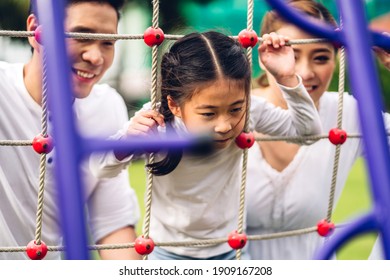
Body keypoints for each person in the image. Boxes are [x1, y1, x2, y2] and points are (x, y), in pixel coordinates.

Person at [89, 30, 322, 260]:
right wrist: (128, 142)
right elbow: (100, 167)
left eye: (235, 109)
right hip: (166, 253)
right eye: (209, 113)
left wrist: (286, 77)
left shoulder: (250, 111)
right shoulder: (156, 121)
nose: (224, 125)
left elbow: (308, 132)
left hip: (231, 249)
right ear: (174, 105)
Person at [245, 0, 390, 260]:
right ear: (265, 57)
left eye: (321, 58)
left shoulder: (347, 113)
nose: (304, 73)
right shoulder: (233, 111)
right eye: (291, 54)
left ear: (335, 61)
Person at [0, 0, 141, 260]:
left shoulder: (107, 105)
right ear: (35, 31)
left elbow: (112, 223)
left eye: (108, 43)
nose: (95, 57)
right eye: (81, 36)